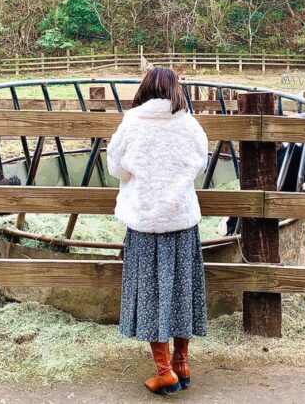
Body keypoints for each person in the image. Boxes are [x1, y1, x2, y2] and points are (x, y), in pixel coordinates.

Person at [108, 66, 209, 395]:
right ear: (175, 90)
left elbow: (117, 168)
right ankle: (182, 363)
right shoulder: (188, 123)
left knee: (151, 294)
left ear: (145, 88)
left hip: (145, 221)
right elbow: (200, 161)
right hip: (181, 220)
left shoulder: (132, 122)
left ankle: (164, 371)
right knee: (183, 290)